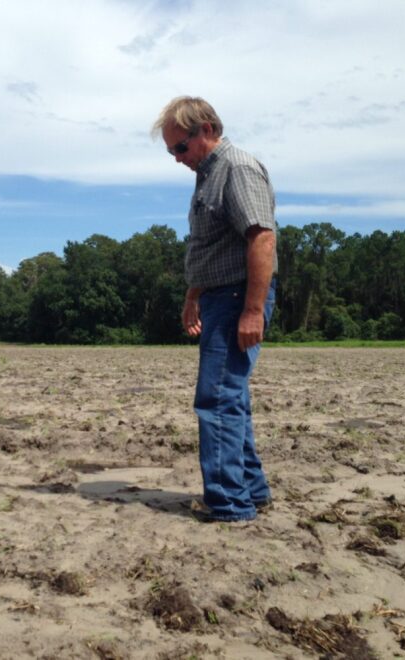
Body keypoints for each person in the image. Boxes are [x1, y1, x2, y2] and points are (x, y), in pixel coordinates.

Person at [152, 96, 278, 523]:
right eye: (170, 151)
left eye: (180, 148)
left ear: (205, 129)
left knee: (218, 401)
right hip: (218, 297)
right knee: (232, 399)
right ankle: (252, 491)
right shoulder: (206, 174)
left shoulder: (236, 168)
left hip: (236, 299)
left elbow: (261, 238)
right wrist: (192, 297)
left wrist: (252, 310)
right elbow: (209, 247)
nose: (176, 159)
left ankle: (228, 504)